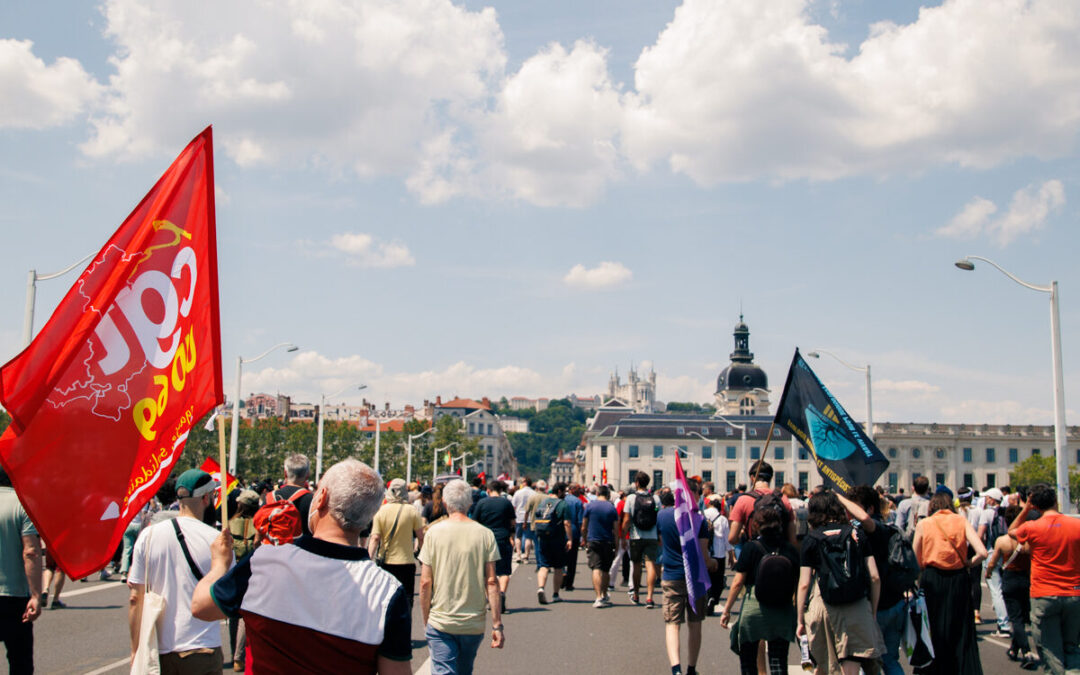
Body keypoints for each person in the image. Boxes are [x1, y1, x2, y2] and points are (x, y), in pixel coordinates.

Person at [191, 459, 412, 674]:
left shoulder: (265, 562)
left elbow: (201, 606)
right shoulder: (387, 592)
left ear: (322, 498)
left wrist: (219, 564)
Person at [128, 469, 229, 673]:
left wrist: (135, 649)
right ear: (206, 498)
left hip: (159, 651)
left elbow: (135, 599)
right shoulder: (219, 542)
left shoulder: (148, 536)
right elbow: (226, 603)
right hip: (203, 648)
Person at [419, 479, 504, 674]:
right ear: (470, 504)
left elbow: (425, 582)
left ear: (446, 503)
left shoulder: (433, 533)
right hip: (472, 622)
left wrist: (426, 620)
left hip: (441, 619)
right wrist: (497, 625)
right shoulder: (485, 534)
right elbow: (491, 581)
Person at [796, 490, 883, 675]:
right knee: (852, 661)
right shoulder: (856, 534)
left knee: (825, 664)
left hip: (825, 606)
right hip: (856, 605)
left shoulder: (811, 539)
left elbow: (804, 583)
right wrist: (872, 611)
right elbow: (874, 576)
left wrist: (800, 619)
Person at [721, 493, 799, 675]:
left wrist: (727, 609)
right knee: (779, 662)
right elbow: (797, 581)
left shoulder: (751, 547)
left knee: (748, 662)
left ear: (755, 526)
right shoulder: (789, 549)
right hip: (782, 608)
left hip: (754, 607)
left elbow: (738, 582)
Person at [912, 490, 987, 674]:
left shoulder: (924, 523)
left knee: (933, 627)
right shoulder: (960, 520)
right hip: (958, 578)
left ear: (932, 507)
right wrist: (969, 563)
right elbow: (983, 553)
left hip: (933, 578)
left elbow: (915, 558)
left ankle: (934, 668)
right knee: (960, 627)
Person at [1008, 483, 1080, 675]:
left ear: (1035, 505)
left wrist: (1026, 509)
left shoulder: (1032, 527)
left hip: (1044, 594)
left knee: (1050, 652)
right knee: (1072, 647)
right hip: (1073, 593)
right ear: (1055, 501)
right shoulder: (1076, 525)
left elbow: (1011, 530)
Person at [843, 486, 907, 675]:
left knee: (872, 661)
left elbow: (864, 519)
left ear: (870, 509)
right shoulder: (884, 528)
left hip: (879, 606)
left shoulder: (875, 528)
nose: (849, 513)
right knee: (889, 660)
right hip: (893, 601)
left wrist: (837, 496)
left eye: (855, 508)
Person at [657, 477, 716, 675]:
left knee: (672, 623)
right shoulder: (700, 520)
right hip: (696, 577)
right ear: (694, 495)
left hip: (672, 574)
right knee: (695, 623)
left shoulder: (663, 516)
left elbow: (660, 542)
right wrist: (714, 563)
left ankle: (676, 668)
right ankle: (692, 667)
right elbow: (704, 555)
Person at [0, 468, 41, 674]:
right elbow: (31, 552)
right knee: (19, 662)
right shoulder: (22, 505)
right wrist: (35, 594)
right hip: (13, 597)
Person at [986, 504, 1038, 668]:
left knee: (1016, 619)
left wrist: (988, 572)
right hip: (1026, 578)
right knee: (1022, 616)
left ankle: (1026, 651)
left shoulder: (1002, 541)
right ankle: (1014, 649)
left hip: (1010, 579)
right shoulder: (1028, 541)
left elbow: (993, 562)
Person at [368, 478, 425, 613]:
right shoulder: (412, 511)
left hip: (386, 562)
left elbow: (375, 538)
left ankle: (386, 629)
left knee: (386, 600)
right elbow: (421, 537)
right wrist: (421, 554)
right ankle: (404, 630)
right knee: (406, 600)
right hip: (407, 562)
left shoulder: (381, 511)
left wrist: (369, 558)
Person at [729, 462, 797, 555]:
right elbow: (792, 539)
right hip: (780, 556)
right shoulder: (783, 499)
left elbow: (732, 538)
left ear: (752, 478)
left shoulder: (743, 500)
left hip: (754, 555)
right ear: (771, 478)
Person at [470, 479, 516, 613]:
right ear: (501, 491)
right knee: (505, 571)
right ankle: (501, 593)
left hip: (486, 540)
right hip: (503, 538)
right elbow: (513, 522)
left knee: (487, 572)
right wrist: (512, 537)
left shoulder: (482, 503)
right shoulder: (506, 503)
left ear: (488, 490)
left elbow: (474, 522)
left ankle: (491, 598)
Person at [622, 471, 660, 609]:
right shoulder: (656, 499)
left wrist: (622, 536)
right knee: (650, 565)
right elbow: (659, 518)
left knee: (636, 565)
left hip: (636, 535)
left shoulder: (631, 498)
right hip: (652, 535)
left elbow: (626, 520)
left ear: (636, 483)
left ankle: (636, 593)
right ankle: (650, 597)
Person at [977, 487, 1012, 638]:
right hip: (1008, 553)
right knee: (1006, 589)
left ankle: (1003, 625)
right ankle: (1011, 620)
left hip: (992, 553)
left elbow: (980, 535)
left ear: (992, 499)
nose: (985, 500)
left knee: (996, 590)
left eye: (987, 498)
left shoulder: (987, 513)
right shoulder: (1007, 512)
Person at [533, 482, 572, 605]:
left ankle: (541, 588)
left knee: (544, 565)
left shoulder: (545, 502)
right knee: (558, 567)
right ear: (559, 491)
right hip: (557, 538)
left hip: (543, 537)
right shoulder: (562, 504)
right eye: (564, 491)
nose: (565, 494)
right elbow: (567, 523)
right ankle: (555, 594)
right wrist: (570, 539)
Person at [582, 485, 618, 608]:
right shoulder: (611, 508)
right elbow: (616, 529)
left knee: (596, 568)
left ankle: (598, 597)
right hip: (607, 540)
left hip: (593, 540)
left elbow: (584, 526)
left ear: (597, 493)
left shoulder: (590, 506)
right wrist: (617, 544)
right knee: (606, 569)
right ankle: (604, 594)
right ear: (608, 494)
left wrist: (585, 539)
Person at [702, 495, 732, 615]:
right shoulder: (722, 519)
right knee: (718, 579)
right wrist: (731, 554)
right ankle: (713, 598)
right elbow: (727, 539)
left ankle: (705, 598)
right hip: (719, 553)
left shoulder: (702, 514)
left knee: (705, 577)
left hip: (705, 551)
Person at [273, 454, 313, 537]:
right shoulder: (312, 501)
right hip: (301, 548)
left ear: (285, 473)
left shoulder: (270, 498)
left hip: (271, 548)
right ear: (307, 475)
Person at [561, 484, 584, 592]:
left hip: (561, 531)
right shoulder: (578, 502)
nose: (580, 491)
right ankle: (569, 583)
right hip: (574, 532)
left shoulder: (562, 500)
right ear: (572, 490)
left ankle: (562, 574)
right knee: (572, 559)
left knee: (561, 556)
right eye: (578, 489)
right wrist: (583, 536)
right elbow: (580, 521)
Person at [510, 478, 534, 564]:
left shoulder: (518, 492)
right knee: (528, 537)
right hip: (530, 517)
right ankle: (526, 556)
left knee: (518, 536)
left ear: (525, 483)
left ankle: (518, 554)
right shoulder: (534, 493)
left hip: (519, 516)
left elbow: (513, 505)